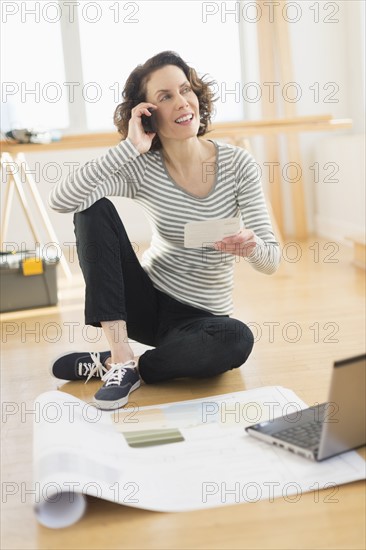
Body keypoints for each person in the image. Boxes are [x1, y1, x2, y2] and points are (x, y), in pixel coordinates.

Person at [49, 50, 280, 410]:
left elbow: (272, 261)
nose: (182, 102)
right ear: (147, 114)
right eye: (165, 97)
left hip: (201, 319)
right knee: (91, 208)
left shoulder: (238, 164)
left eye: (185, 90)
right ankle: (121, 350)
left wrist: (252, 248)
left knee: (238, 340)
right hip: (144, 302)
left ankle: (121, 367)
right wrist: (129, 148)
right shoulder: (143, 167)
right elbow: (64, 200)